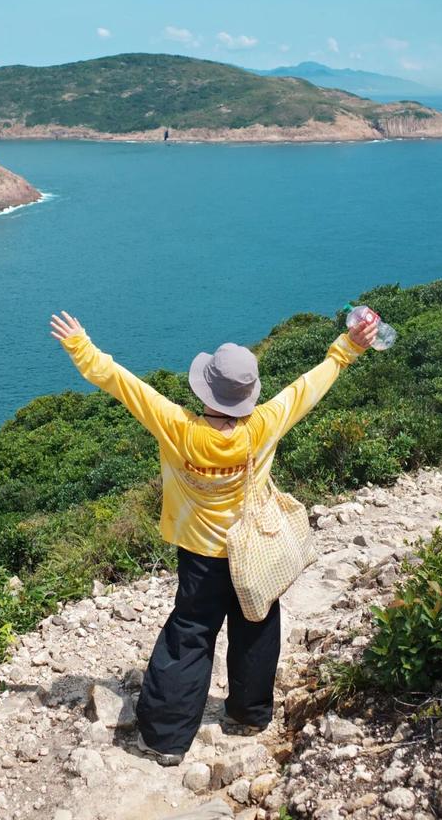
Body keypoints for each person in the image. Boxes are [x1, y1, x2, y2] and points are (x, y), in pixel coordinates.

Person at [50, 310, 377, 765]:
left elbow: (123, 384)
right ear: (248, 395)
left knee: (191, 635)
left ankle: (165, 740)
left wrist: (81, 346)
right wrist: (351, 345)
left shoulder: (178, 426)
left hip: (201, 555)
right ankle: (249, 715)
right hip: (255, 551)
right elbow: (311, 385)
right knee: (258, 625)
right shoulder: (265, 423)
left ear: (205, 389)